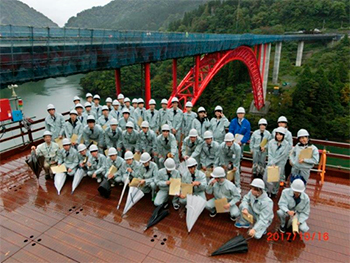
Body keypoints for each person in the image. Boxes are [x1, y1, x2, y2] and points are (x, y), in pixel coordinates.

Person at [263, 127, 292, 198]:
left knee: (276, 179)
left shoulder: (287, 144)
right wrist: (271, 162)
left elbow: (283, 155)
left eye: (280, 135)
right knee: (266, 177)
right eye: (277, 134)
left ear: (283, 136)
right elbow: (270, 153)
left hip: (280, 164)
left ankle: (274, 192)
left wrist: (274, 162)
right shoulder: (271, 142)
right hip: (270, 163)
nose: (279, 136)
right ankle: (267, 190)